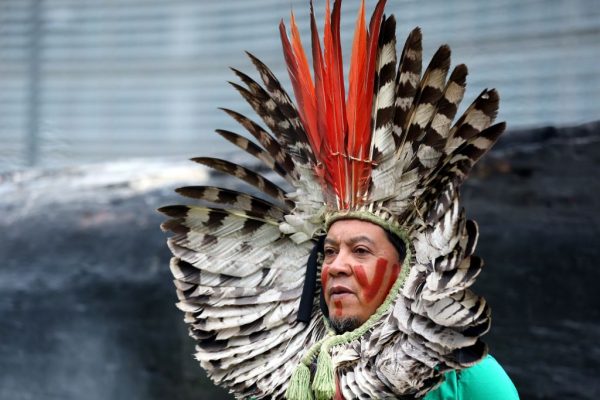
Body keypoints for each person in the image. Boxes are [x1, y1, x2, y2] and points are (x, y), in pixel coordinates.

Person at [160, 0, 520, 398]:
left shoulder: (466, 376)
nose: (338, 266)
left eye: (361, 250)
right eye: (330, 252)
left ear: (404, 272)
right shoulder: (298, 378)